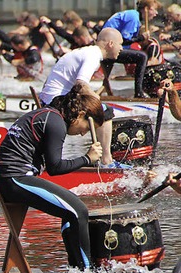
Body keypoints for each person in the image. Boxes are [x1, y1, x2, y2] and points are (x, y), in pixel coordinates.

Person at [0, 82, 105, 271]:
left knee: (71, 212)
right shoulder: (55, 122)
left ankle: (77, 271)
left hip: (11, 178)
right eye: (86, 127)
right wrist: (87, 158)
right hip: (16, 178)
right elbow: (55, 167)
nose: (83, 133)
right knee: (79, 211)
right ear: (80, 116)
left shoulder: (48, 115)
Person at [39, 28, 129, 168]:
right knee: (105, 111)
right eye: (120, 44)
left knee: (99, 108)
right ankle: (107, 161)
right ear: (111, 43)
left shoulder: (85, 51)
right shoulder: (93, 55)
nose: (121, 48)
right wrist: (95, 101)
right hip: (55, 102)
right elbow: (81, 84)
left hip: (49, 100)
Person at [101, 0, 162, 98]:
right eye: (154, 10)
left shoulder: (132, 15)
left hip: (110, 47)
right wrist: (141, 38)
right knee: (142, 57)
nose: (156, 13)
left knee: (138, 55)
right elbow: (124, 40)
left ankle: (106, 91)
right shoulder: (133, 17)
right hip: (109, 49)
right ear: (146, 9)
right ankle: (138, 93)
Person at [0, 14, 44, 79]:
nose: (12, 48)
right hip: (22, 77)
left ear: (20, 46)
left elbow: (34, 59)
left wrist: (20, 62)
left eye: (14, 46)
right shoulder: (21, 49)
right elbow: (6, 41)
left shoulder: (33, 50)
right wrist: (4, 53)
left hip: (33, 78)